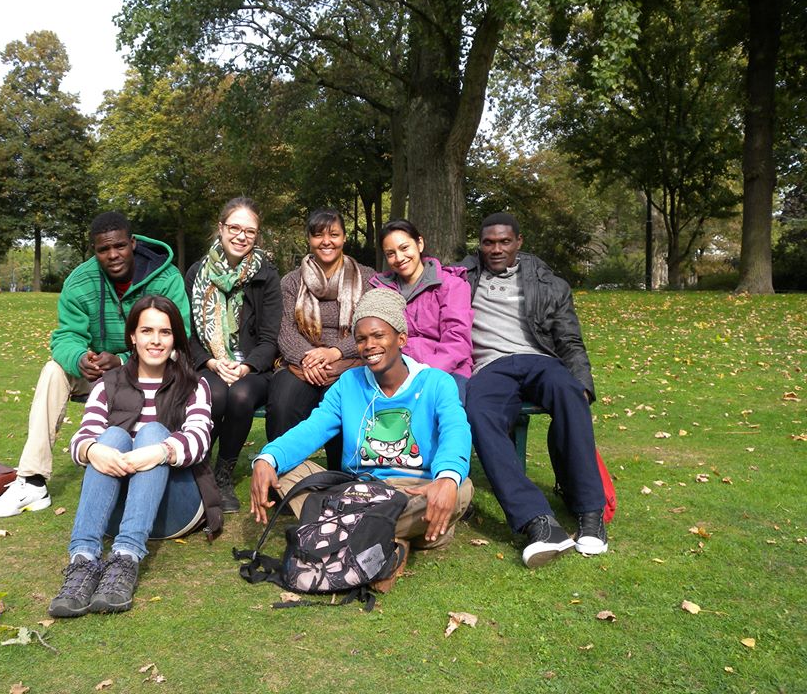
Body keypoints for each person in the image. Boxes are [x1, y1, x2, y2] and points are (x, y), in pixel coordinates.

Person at [250, 288, 473, 591]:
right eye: (361, 339)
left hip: (413, 491)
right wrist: (268, 457)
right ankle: (388, 540)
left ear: (401, 339)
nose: (369, 346)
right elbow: (313, 428)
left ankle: (343, 530)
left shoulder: (436, 382)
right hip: (359, 491)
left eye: (378, 335)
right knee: (285, 471)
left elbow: (455, 430)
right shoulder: (349, 384)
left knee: (460, 487)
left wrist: (446, 478)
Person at [0, 212, 189, 518]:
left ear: (132, 243)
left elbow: (181, 336)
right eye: (103, 249)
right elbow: (66, 336)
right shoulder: (80, 281)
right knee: (54, 370)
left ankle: (157, 465)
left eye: (119, 246)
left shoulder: (166, 278)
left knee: (171, 361)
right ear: (94, 250)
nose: (113, 255)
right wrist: (80, 358)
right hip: (101, 375)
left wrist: (124, 360)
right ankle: (32, 481)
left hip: (153, 371)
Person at [48, 295, 218, 617]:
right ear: (132, 337)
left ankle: (126, 558)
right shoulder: (106, 385)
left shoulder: (195, 385)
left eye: (165, 332)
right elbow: (82, 437)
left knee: (153, 431)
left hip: (176, 501)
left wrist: (159, 451)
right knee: (111, 437)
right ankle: (83, 560)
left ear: (175, 339)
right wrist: (92, 449)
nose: (156, 341)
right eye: (147, 331)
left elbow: (200, 439)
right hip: (116, 506)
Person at [459, 212, 607, 568]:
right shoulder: (461, 277)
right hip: (491, 366)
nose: (496, 249)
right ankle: (537, 521)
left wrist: (583, 383)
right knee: (478, 410)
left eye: (504, 242)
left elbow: (569, 340)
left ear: (519, 242)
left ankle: (590, 514)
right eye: (488, 243)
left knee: (570, 392)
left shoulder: (548, 283)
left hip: (539, 360)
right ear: (480, 245)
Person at [186, 197, 282, 513]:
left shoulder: (267, 276)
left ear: (257, 235)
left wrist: (245, 367)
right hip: (209, 361)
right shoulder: (197, 273)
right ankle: (199, 468)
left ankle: (223, 475)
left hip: (253, 368)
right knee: (213, 392)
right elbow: (188, 334)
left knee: (240, 395)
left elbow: (269, 338)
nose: (241, 236)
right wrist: (212, 362)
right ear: (221, 228)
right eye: (235, 228)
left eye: (249, 231)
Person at [266, 208, 375, 471]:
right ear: (309, 239)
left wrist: (335, 352)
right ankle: (283, 474)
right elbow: (285, 329)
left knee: (344, 402)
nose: (326, 241)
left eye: (334, 235)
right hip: (301, 362)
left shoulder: (367, 278)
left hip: (348, 361)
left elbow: (369, 326)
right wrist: (309, 358)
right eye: (318, 235)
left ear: (344, 238)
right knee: (283, 403)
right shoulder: (292, 282)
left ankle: (342, 477)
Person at [369, 220, 473, 401]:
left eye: (404, 248)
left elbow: (457, 339)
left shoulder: (451, 284)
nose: (399, 258)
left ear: (419, 244)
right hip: (396, 371)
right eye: (391, 254)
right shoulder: (381, 290)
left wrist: (422, 374)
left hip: (448, 370)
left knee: (440, 406)